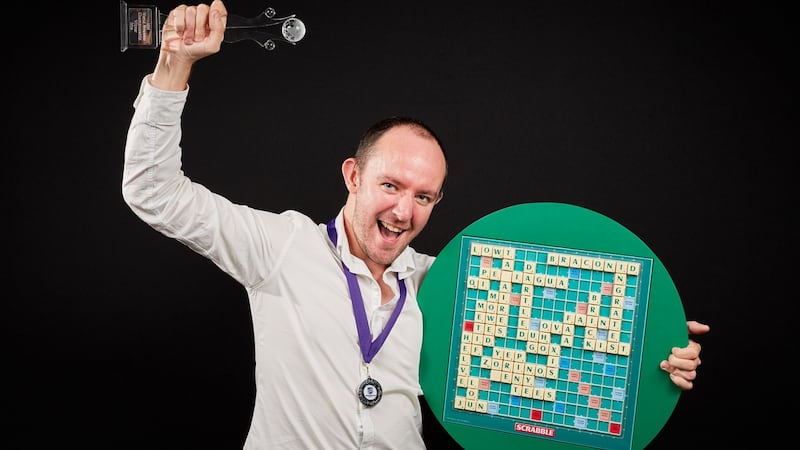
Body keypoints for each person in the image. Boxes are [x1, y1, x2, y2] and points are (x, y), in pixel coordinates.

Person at [122, 1, 710, 448]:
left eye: (424, 196)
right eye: (391, 186)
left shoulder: (447, 282)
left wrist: (659, 346)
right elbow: (152, 191)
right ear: (353, 176)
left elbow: (566, 337)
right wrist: (174, 65)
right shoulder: (280, 247)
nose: (405, 211)